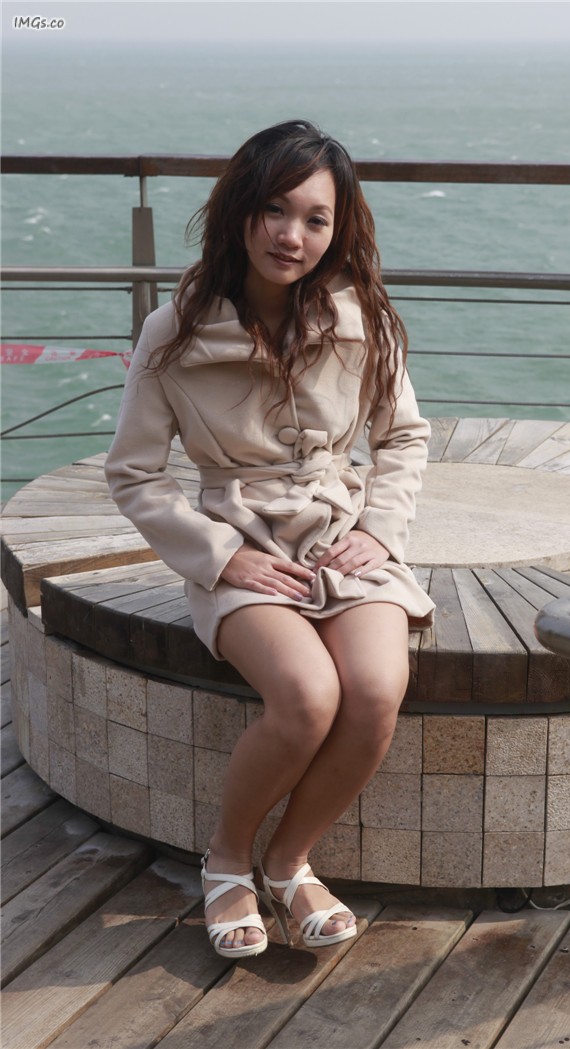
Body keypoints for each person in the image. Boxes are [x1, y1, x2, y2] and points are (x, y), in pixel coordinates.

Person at [105, 119, 435, 959]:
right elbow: (135, 474)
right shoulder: (174, 329)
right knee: (307, 695)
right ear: (241, 211)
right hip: (239, 542)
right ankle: (226, 860)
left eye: (317, 218)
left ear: (339, 229)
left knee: (375, 689)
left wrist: (379, 529)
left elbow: (403, 436)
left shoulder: (364, 317)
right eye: (276, 210)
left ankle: (288, 864)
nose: (293, 235)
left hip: (342, 537)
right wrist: (220, 555)